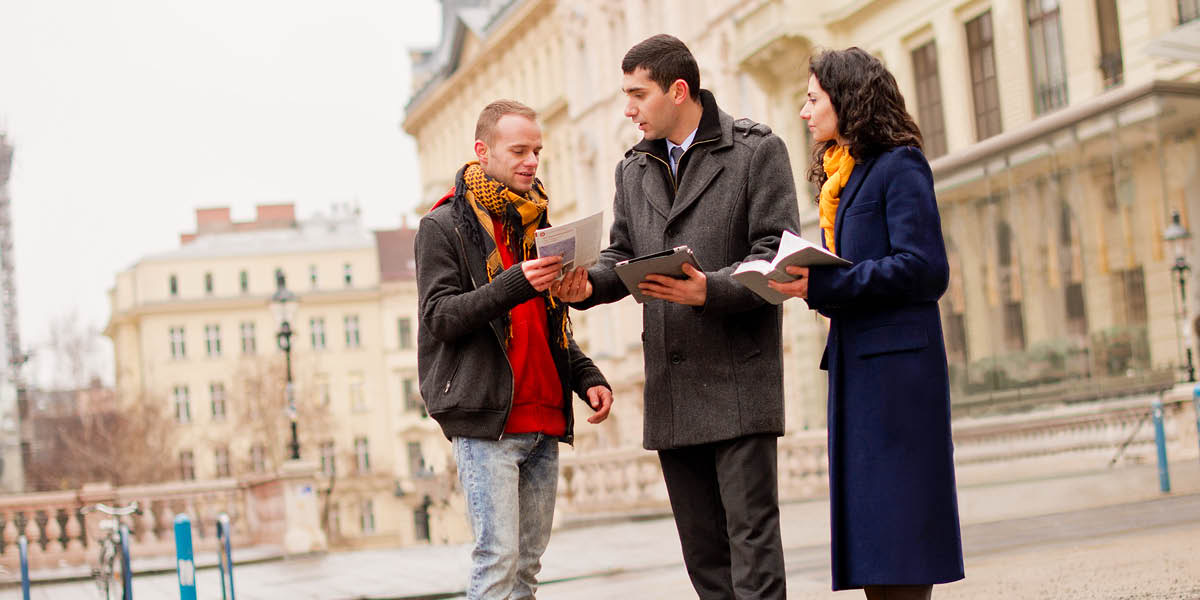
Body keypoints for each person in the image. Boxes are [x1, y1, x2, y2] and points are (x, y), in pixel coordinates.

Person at [553, 34, 798, 599]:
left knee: (753, 555)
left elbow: (776, 254)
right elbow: (622, 254)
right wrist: (586, 283)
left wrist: (708, 291)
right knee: (705, 564)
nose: (628, 108)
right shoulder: (633, 168)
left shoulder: (757, 151)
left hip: (740, 382)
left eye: (638, 94)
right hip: (673, 388)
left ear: (678, 90)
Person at [769, 48, 965, 599]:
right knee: (876, 534)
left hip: (899, 378)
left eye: (812, 99)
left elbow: (925, 269)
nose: (805, 112)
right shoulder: (843, 176)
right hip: (860, 368)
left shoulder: (899, 164)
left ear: (847, 98)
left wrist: (823, 283)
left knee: (899, 532)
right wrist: (812, 283)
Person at [415, 99, 615, 600]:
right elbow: (439, 317)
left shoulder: (537, 221)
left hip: (545, 418)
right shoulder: (442, 226)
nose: (531, 161)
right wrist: (511, 284)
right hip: (488, 424)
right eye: (519, 150)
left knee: (527, 569)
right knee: (497, 563)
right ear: (483, 151)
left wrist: (587, 375)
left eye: (537, 151)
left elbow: (548, 323)